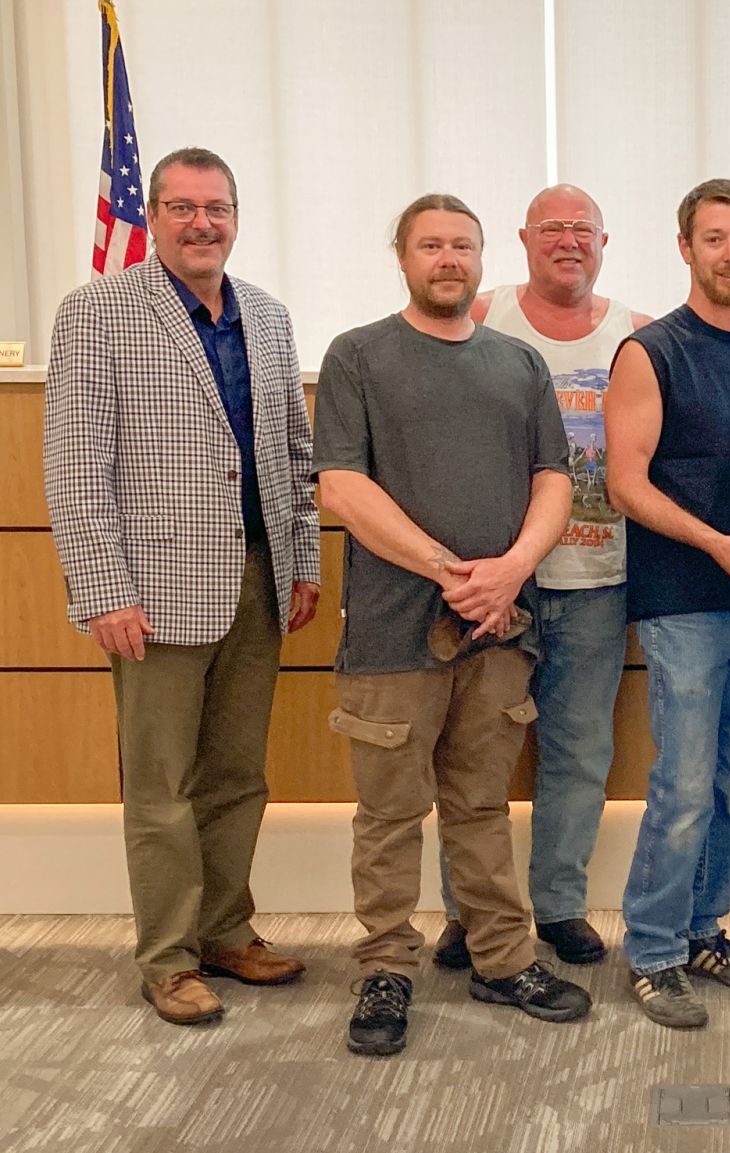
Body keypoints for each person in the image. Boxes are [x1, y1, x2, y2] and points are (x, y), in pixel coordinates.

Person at [43, 147, 320, 1026]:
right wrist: (102, 587)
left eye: (218, 207)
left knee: (238, 774)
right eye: (183, 207)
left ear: (237, 216)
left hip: (260, 575)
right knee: (161, 784)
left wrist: (304, 559)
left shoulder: (268, 316)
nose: (203, 223)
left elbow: (292, 451)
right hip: (153, 588)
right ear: (154, 217)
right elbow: (75, 465)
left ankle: (225, 929)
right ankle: (166, 956)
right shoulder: (98, 312)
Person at [314, 193, 591, 1057]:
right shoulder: (357, 356)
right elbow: (342, 488)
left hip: (502, 625)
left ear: (481, 259)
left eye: (462, 246)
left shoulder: (518, 363)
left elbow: (555, 477)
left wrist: (507, 571)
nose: (448, 259)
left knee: (480, 803)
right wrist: (447, 569)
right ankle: (385, 969)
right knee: (391, 811)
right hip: (394, 630)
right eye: (430, 245)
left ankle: (503, 959)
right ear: (401, 256)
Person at [431, 185, 650, 970]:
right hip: (497, 582)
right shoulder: (481, 318)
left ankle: (558, 904)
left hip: (600, 578)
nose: (567, 240)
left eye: (581, 229)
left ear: (604, 241)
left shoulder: (641, 336)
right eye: (551, 227)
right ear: (522, 239)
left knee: (580, 751)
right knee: (474, 755)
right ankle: (469, 912)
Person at [604, 178, 730, 1029]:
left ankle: (702, 929)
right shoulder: (652, 352)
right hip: (685, 602)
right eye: (715, 239)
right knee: (681, 787)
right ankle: (651, 952)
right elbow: (624, 483)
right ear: (686, 247)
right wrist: (713, 545)